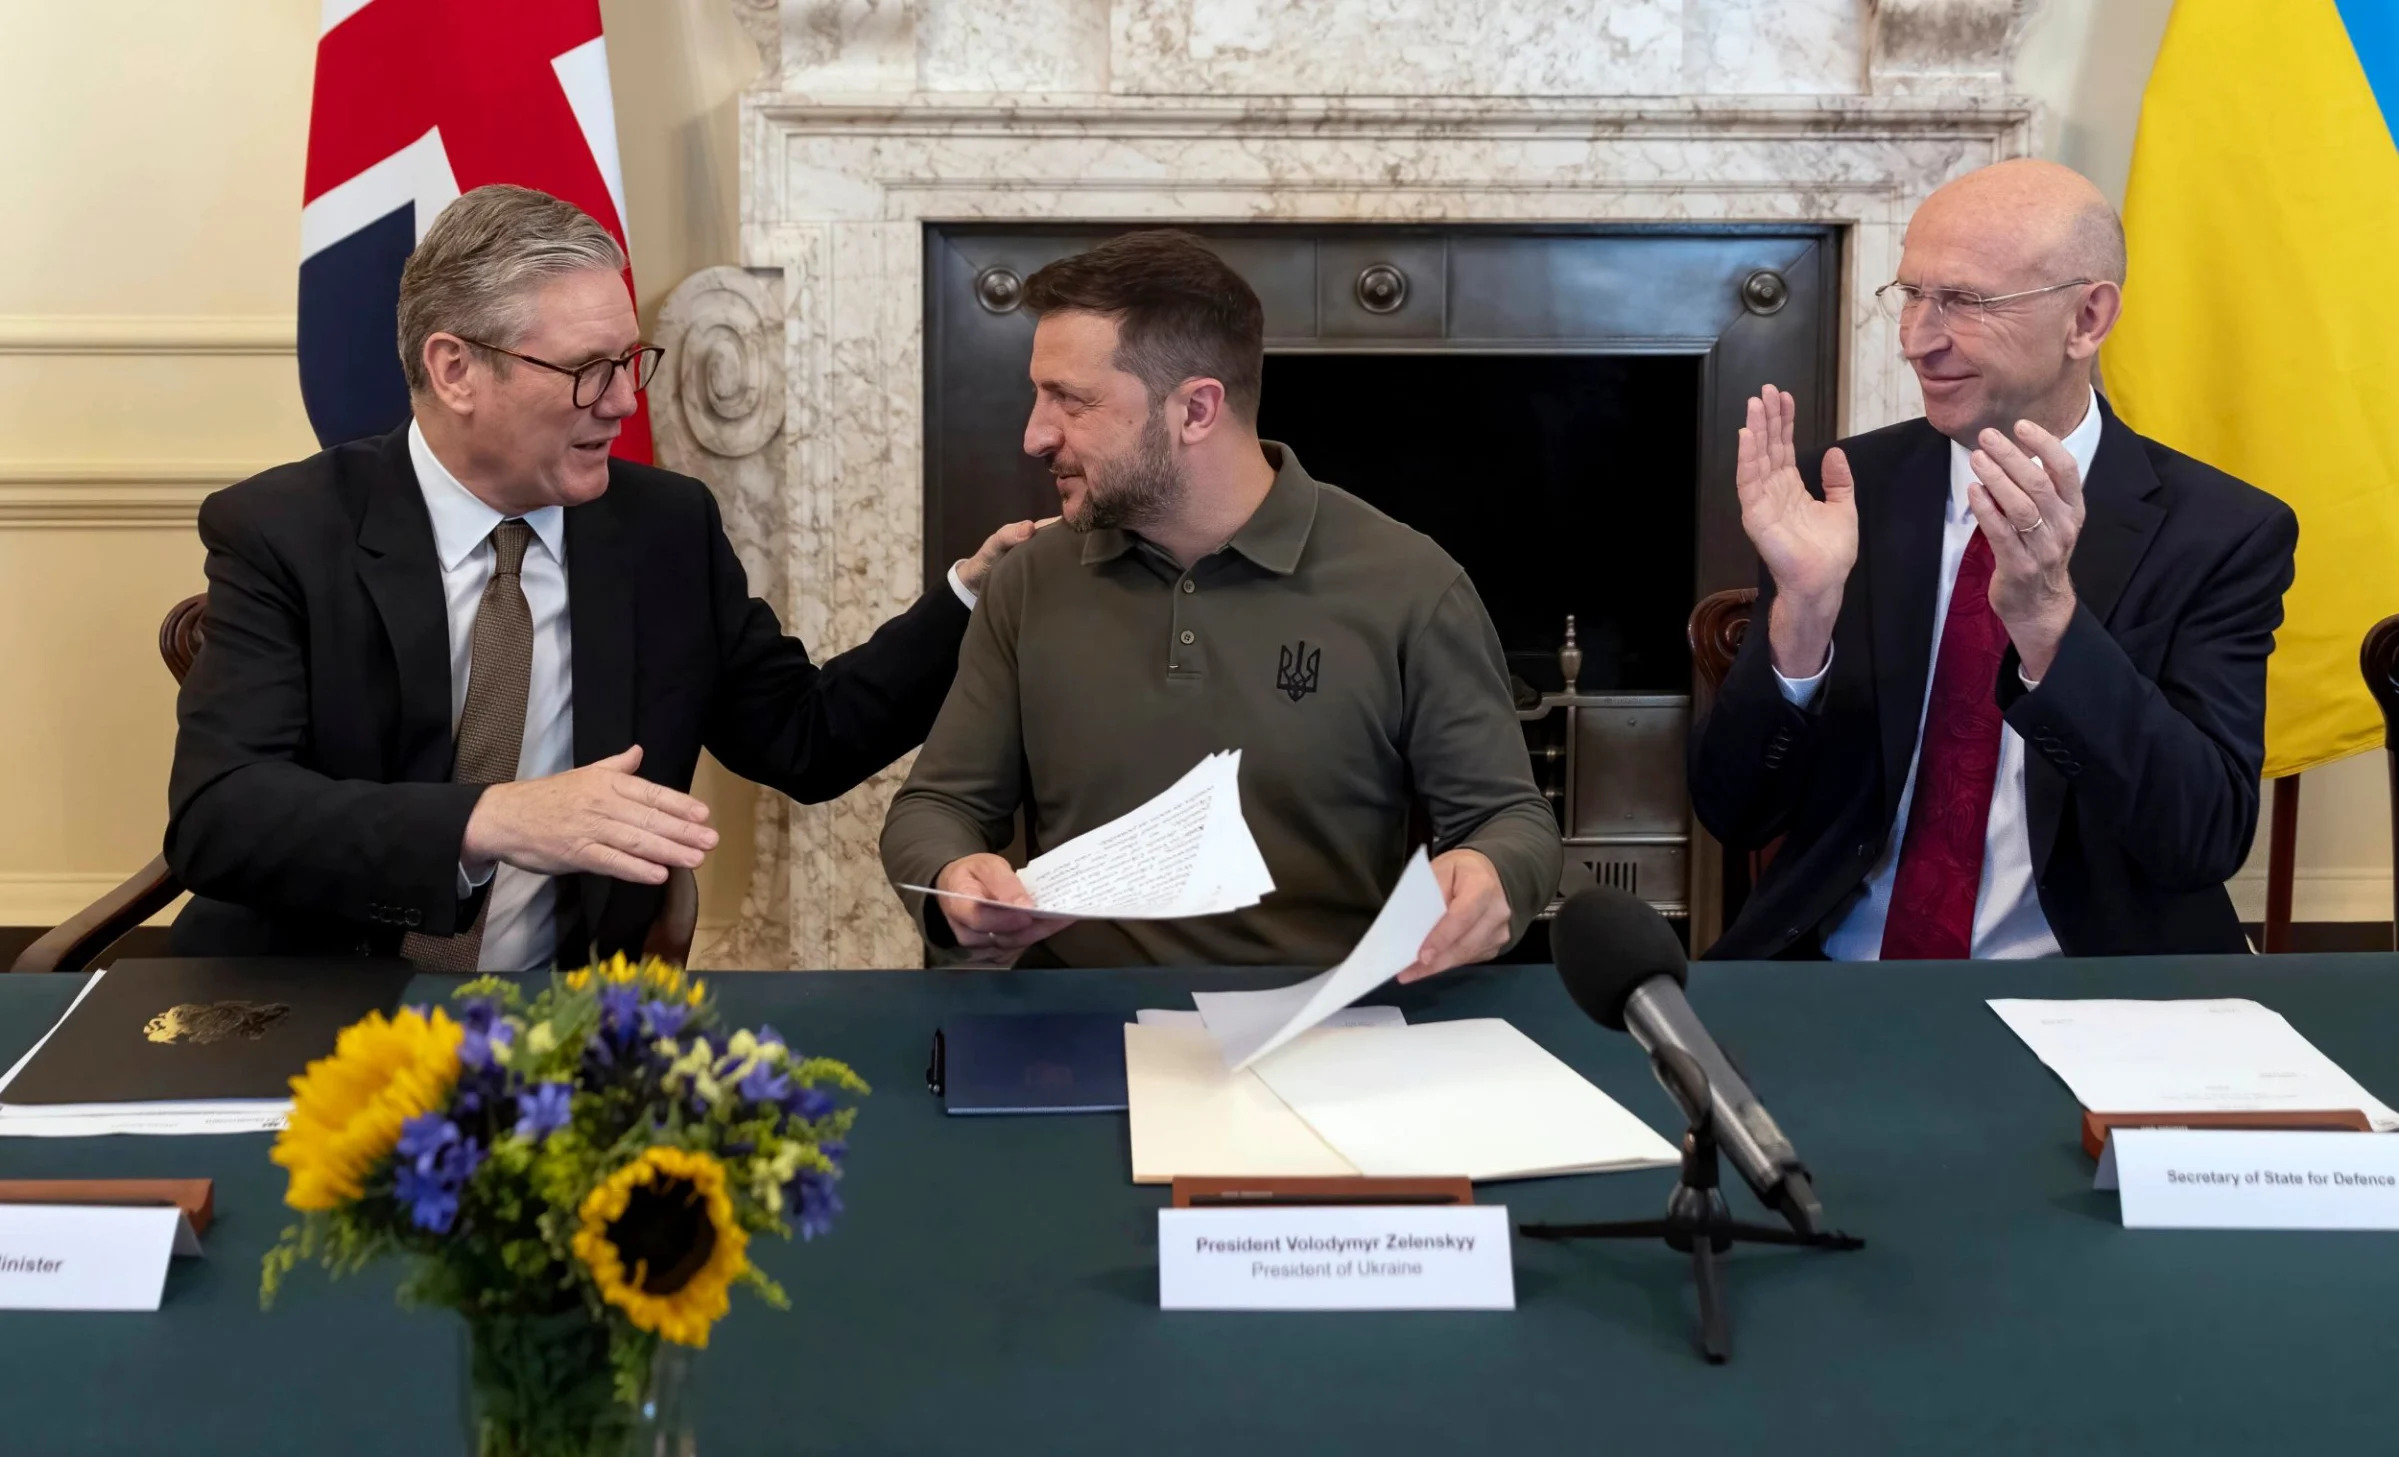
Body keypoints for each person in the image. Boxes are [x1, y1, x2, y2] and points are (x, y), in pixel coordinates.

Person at [167, 184, 1037, 968]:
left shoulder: (663, 530)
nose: (624, 402)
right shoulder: (287, 531)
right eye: (588, 370)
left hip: (560, 1026)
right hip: (311, 1005)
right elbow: (222, 814)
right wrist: (491, 820)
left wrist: (969, 594)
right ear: (454, 369)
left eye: (630, 362)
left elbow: (807, 740)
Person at [880, 230, 1560, 974]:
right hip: (1075, 1021)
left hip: (1320, 1024)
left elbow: (1508, 819)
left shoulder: (1410, 583)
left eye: (1069, 401)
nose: (1035, 435)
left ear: (1197, 410)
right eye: (1038, 395)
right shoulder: (1029, 581)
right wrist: (950, 876)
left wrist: (1491, 875)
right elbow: (934, 806)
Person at [1692, 159, 2297, 960]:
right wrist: (1800, 619)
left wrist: (2050, 623)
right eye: (1911, 296)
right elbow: (1736, 812)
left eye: (1966, 303)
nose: (1918, 341)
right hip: (1839, 979)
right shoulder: (1839, 492)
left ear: (2086, 318)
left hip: (2092, 991)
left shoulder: (2218, 534)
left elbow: (2200, 839)